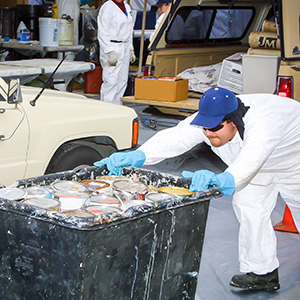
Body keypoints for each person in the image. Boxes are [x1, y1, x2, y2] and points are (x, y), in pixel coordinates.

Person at [94, 86, 300, 291]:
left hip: (294, 162)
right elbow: (176, 138)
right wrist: (139, 156)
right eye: (205, 128)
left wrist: (223, 180)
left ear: (234, 122)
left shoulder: (265, 122)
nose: (208, 133)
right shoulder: (213, 117)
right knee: (249, 207)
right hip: (256, 167)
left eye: (215, 128)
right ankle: (262, 273)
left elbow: (252, 158)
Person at [97, 0, 136, 105]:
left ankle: (118, 106)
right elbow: (102, 32)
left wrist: (131, 48)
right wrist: (109, 51)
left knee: (122, 80)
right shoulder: (108, 7)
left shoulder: (127, 7)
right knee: (111, 80)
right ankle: (107, 107)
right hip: (112, 46)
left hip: (125, 45)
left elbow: (129, 30)